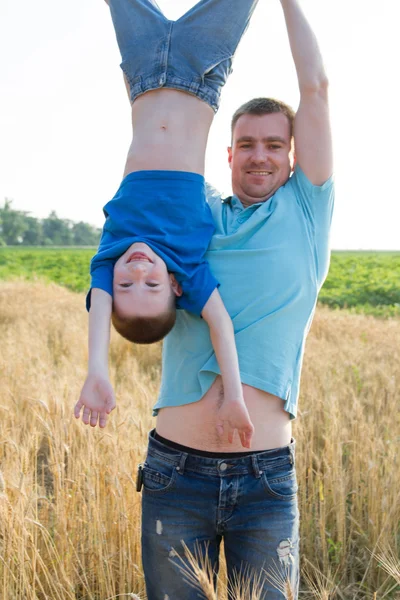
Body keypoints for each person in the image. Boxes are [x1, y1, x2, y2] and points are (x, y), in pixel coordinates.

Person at [138, 1, 334, 599]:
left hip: (266, 480)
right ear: (228, 155)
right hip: (176, 473)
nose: (260, 156)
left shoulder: (308, 211)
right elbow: (158, 135)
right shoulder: (199, 215)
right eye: (246, 144)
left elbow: (317, 89)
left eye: (275, 145)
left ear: (292, 157)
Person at [74, 0, 261, 448]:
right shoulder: (188, 267)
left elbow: (99, 308)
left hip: (142, 71)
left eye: (126, 287)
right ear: (175, 287)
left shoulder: (113, 250)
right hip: (199, 70)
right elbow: (220, 325)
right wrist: (233, 394)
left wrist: (96, 369)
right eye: (151, 287)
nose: (137, 273)